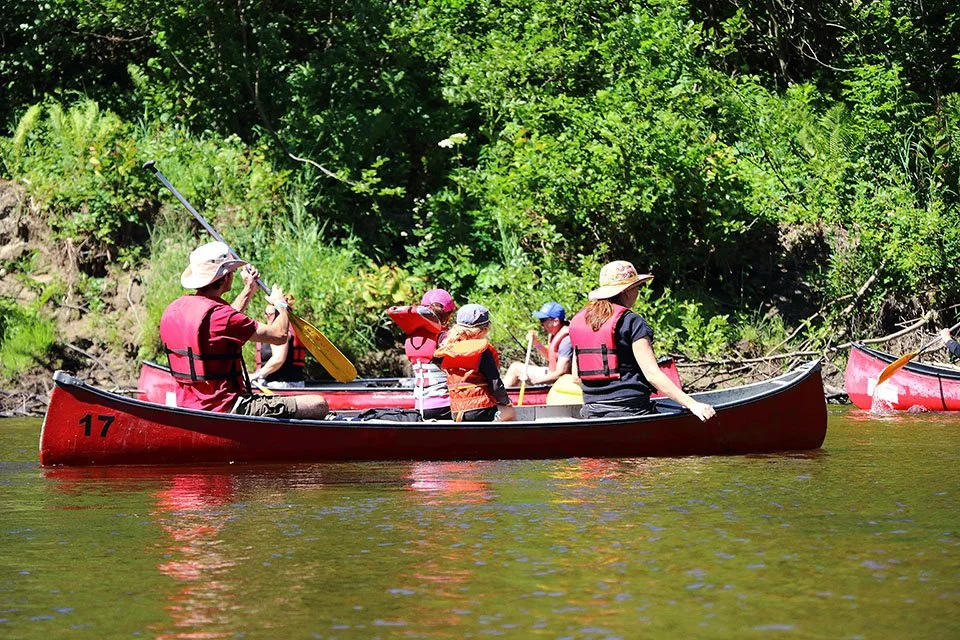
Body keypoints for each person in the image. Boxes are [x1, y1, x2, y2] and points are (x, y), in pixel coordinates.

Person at [158, 241, 328, 418]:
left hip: (189, 406)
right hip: (230, 406)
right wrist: (281, 305)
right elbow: (279, 335)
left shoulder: (176, 309)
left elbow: (224, 322)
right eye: (231, 272)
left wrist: (249, 290)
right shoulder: (221, 317)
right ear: (225, 278)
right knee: (318, 404)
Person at [568, 260, 715, 421]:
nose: (638, 292)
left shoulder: (580, 323)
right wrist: (693, 404)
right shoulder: (632, 322)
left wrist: (603, 397)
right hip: (632, 410)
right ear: (626, 291)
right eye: (637, 287)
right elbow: (652, 374)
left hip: (591, 412)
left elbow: (576, 377)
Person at [433, 303, 517, 422]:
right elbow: (496, 385)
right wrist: (506, 401)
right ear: (485, 330)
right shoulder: (483, 351)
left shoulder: (449, 349)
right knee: (510, 412)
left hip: (456, 412)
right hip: (480, 411)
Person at [387, 289, 456, 420]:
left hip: (420, 405)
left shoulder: (410, 339)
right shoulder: (443, 338)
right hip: (444, 406)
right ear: (449, 314)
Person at [503, 301, 573, 387]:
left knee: (517, 372)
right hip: (551, 373)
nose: (541, 324)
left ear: (555, 321)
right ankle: (502, 396)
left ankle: (502, 398)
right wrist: (536, 343)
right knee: (515, 367)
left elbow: (561, 372)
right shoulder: (555, 333)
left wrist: (535, 381)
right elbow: (549, 356)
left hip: (559, 382)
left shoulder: (566, 340)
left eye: (543, 320)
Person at [250, 302, 307, 388]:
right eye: (266, 313)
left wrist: (256, 375)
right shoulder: (272, 334)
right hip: (270, 382)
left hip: (284, 384)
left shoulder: (283, 334)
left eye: (270, 314)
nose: (266, 317)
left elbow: (278, 359)